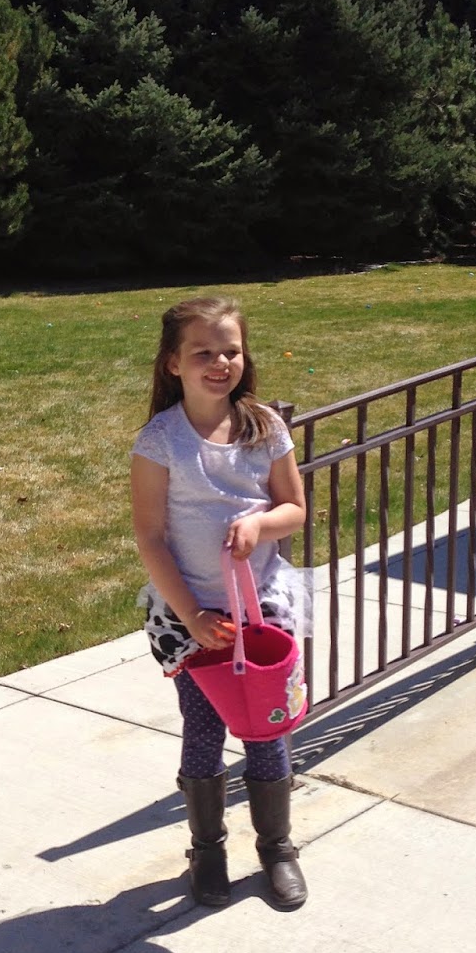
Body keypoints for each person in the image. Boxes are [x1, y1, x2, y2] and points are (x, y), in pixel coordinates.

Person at [130, 296, 309, 910]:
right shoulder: (160, 441)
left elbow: (295, 508)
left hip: (260, 613)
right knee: (203, 729)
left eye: (230, 350)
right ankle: (207, 851)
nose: (219, 362)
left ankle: (277, 848)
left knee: (266, 729)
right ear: (173, 363)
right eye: (202, 352)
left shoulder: (265, 426)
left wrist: (261, 525)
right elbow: (151, 537)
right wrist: (193, 616)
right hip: (194, 619)